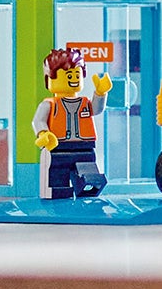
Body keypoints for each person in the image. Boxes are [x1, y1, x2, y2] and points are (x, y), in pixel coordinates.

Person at [32, 47, 111, 200]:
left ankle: (86, 198)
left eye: (77, 74)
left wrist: (100, 94)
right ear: (49, 79)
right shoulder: (49, 104)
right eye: (69, 75)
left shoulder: (84, 102)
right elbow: (38, 120)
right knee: (57, 182)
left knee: (91, 180)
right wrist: (43, 133)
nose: (74, 78)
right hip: (58, 148)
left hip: (84, 147)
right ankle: (58, 199)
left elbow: (96, 109)